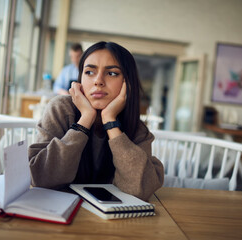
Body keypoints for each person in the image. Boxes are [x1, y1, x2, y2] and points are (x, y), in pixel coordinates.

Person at [29, 41, 164, 201]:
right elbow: (41, 178)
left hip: (112, 222)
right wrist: (85, 119)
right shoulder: (61, 109)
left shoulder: (135, 126)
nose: (98, 81)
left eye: (112, 73)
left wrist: (111, 122)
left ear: (128, 83)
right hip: (59, 211)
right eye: (89, 72)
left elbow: (139, 190)